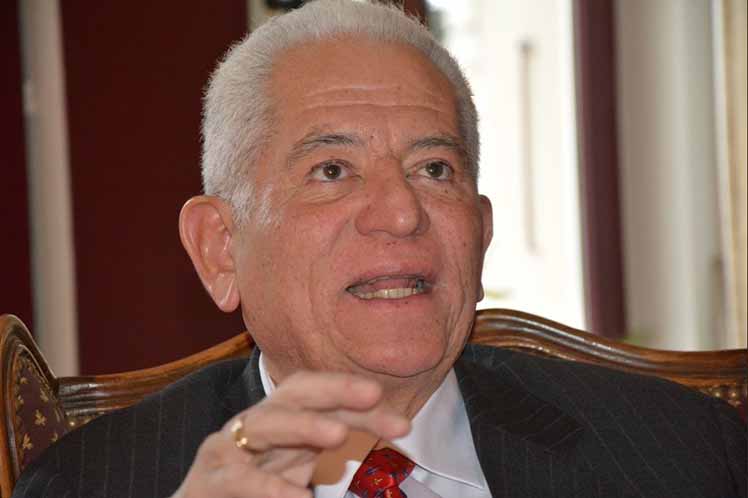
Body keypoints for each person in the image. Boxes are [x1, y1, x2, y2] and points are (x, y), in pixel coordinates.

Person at [13, 1, 746, 497]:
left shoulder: (682, 453)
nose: (401, 214)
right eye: (332, 171)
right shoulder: (96, 483)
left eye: (435, 169)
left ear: (481, 233)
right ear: (220, 249)